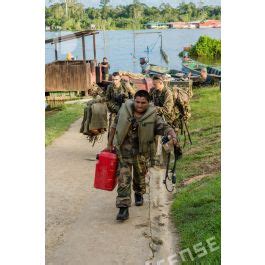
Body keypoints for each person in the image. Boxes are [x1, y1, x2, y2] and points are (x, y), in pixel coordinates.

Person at [107, 90, 180, 221]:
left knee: (140, 175)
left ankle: (139, 192)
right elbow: (114, 126)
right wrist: (109, 144)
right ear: (134, 100)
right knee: (123, 178)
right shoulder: (124, 110)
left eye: (143, 103)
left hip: (141, 152)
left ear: (148, 103)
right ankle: (123, 208)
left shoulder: (153, 115)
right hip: (124, 152)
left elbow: (164, 127)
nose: (139, 105)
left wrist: (173, 135)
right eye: (137, 102)